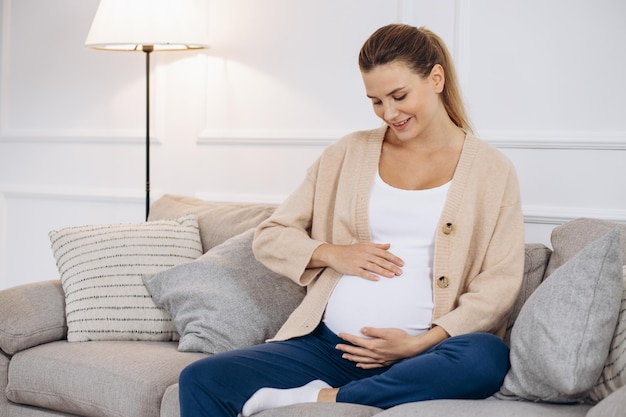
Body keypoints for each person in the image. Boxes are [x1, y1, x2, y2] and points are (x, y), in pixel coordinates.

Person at [179, 23, 525, 417]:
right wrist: (332, 253)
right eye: (376, 101)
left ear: (436, 78)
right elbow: (271, 236)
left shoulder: (492, 171)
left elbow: (499, 284)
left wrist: (419, 343)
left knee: (485, 358)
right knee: (201, 379)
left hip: (428, 355)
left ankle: (323, 397)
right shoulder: (347, 154)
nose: (389, 113)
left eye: (399, 96)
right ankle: (365, 390)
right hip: (331, 350)